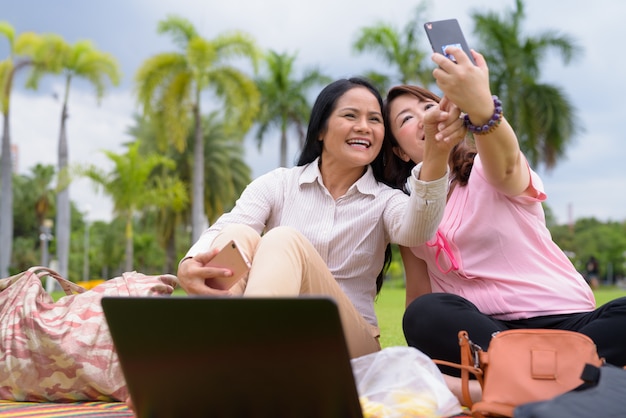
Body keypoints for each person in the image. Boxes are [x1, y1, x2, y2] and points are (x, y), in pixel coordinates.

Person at [381, 46, 626, 402]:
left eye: (430, 104)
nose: (427, 116)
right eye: (406, 118)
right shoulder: (410, 215)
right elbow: (419, 299)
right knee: (424, 313)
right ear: (400, 152)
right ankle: (579, 383)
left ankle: (497, 390)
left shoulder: (484, 166)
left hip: (567, 323)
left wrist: (482, 108)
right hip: (487, 333)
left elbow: (508, 167)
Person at [176, 77, 465, 359]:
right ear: (320, 131)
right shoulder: (279, 184)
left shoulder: (386, 201)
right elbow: (228, 226)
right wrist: (190, 263)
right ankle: (225, 355)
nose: (363, 127)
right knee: (239, 235)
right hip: (282, 332)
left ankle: (233, 361)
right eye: (350, 115)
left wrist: (436, 155)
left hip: (348, 342)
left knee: (282, 239)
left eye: (374, 120)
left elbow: (418, 230)